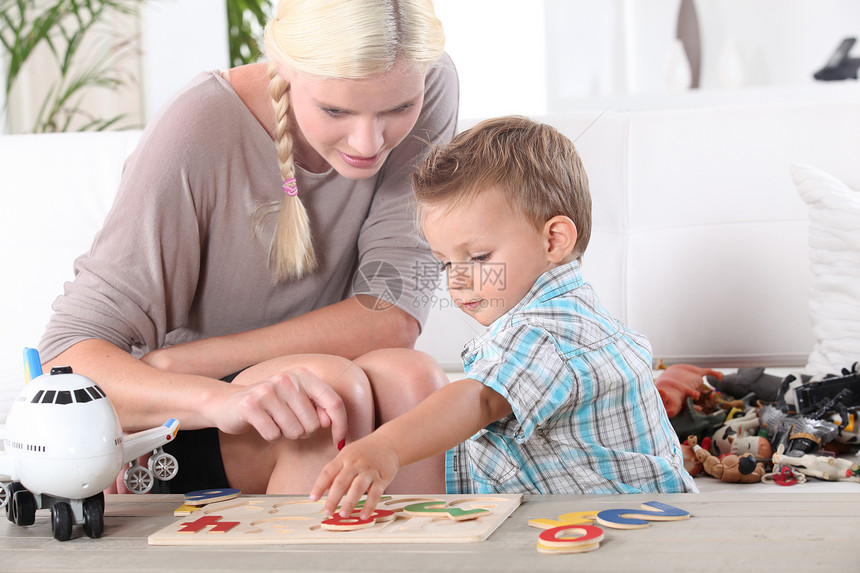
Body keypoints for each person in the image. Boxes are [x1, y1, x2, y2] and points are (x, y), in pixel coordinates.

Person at [39, 0, 458, 495]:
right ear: (282, 65)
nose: (368, 142)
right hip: (181, 426)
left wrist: (191, 358)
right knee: (324, 391)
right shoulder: (197, 126)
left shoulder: (422, 79)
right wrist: (217, 394)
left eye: (397, 110)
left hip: (228, 374)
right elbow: (66, 355)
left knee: (414, 378)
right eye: (334, 110)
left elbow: (391, 316)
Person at [311, 116, 698, 519]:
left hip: (612, 528)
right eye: (444, 264)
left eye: (478, 258)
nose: (458, 281)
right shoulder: (574, 312)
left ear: (553, 240)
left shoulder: (543, 331)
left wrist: (385, 447)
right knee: (391, 372)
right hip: (627, 514)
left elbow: (480, 398)